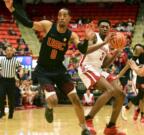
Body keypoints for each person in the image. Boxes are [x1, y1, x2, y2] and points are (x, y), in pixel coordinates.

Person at [4, 0, 108, 134]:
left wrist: (87, 39)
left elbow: (82, 49)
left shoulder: (71, 35)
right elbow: (28, 23)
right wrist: (12, 9)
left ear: (69, 18)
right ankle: (49, 107)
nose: (62, 17)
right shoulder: (48, 26)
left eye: (65, 15)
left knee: (75, 99)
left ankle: (84, 128)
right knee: (53, 100)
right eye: (60, 15)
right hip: (43, 70)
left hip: (59, 70)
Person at [78, 19, 125, 135]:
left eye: (107, 27)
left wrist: (115, 53)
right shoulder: (94, 37)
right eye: (102, 26)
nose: (105, 28)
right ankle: (88, 119)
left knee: (120, 94)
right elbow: (86, 51)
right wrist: (105, 43)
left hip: (98, 69)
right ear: (98, 28)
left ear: (110, 29)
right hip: (86, 67)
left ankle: (111, 127)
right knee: (110, 90)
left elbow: (105, 64)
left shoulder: (108, 44)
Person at [0, 46, 21, 119]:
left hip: (11, 81)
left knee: (11, 98)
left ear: (12, 52)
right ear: (5, 52)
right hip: (3, 81)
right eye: (7, 50)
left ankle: (11, 113)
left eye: (10, 50)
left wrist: (20, 73)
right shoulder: (1, 60)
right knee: (1, 96)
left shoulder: (16, 61)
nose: (9, 52)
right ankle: (2, 112)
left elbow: (20, 69)